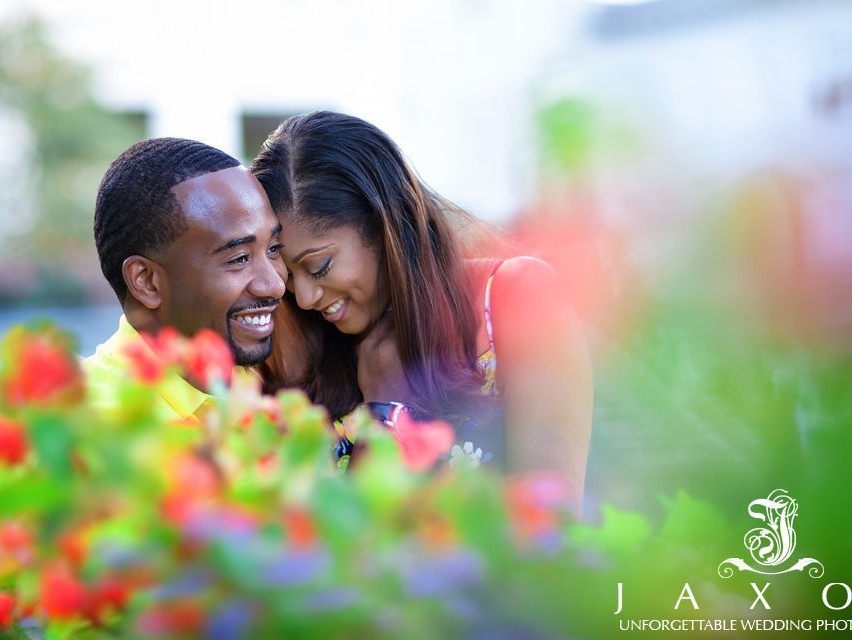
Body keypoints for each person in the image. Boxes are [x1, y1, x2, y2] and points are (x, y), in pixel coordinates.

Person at [251, 111, 592, 502]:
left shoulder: (512, 297)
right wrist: (380, 408)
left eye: (320, 266)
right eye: (289, 276)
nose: (307, 298)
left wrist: (392, 411)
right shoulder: (299, 342)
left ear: (385, 225)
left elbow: (551, 523)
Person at [84, 137, 287, 422]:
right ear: (146, 281)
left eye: (274, 249)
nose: (275, 286)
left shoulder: (273, 384)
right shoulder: (86, 422)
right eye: (239, 259)